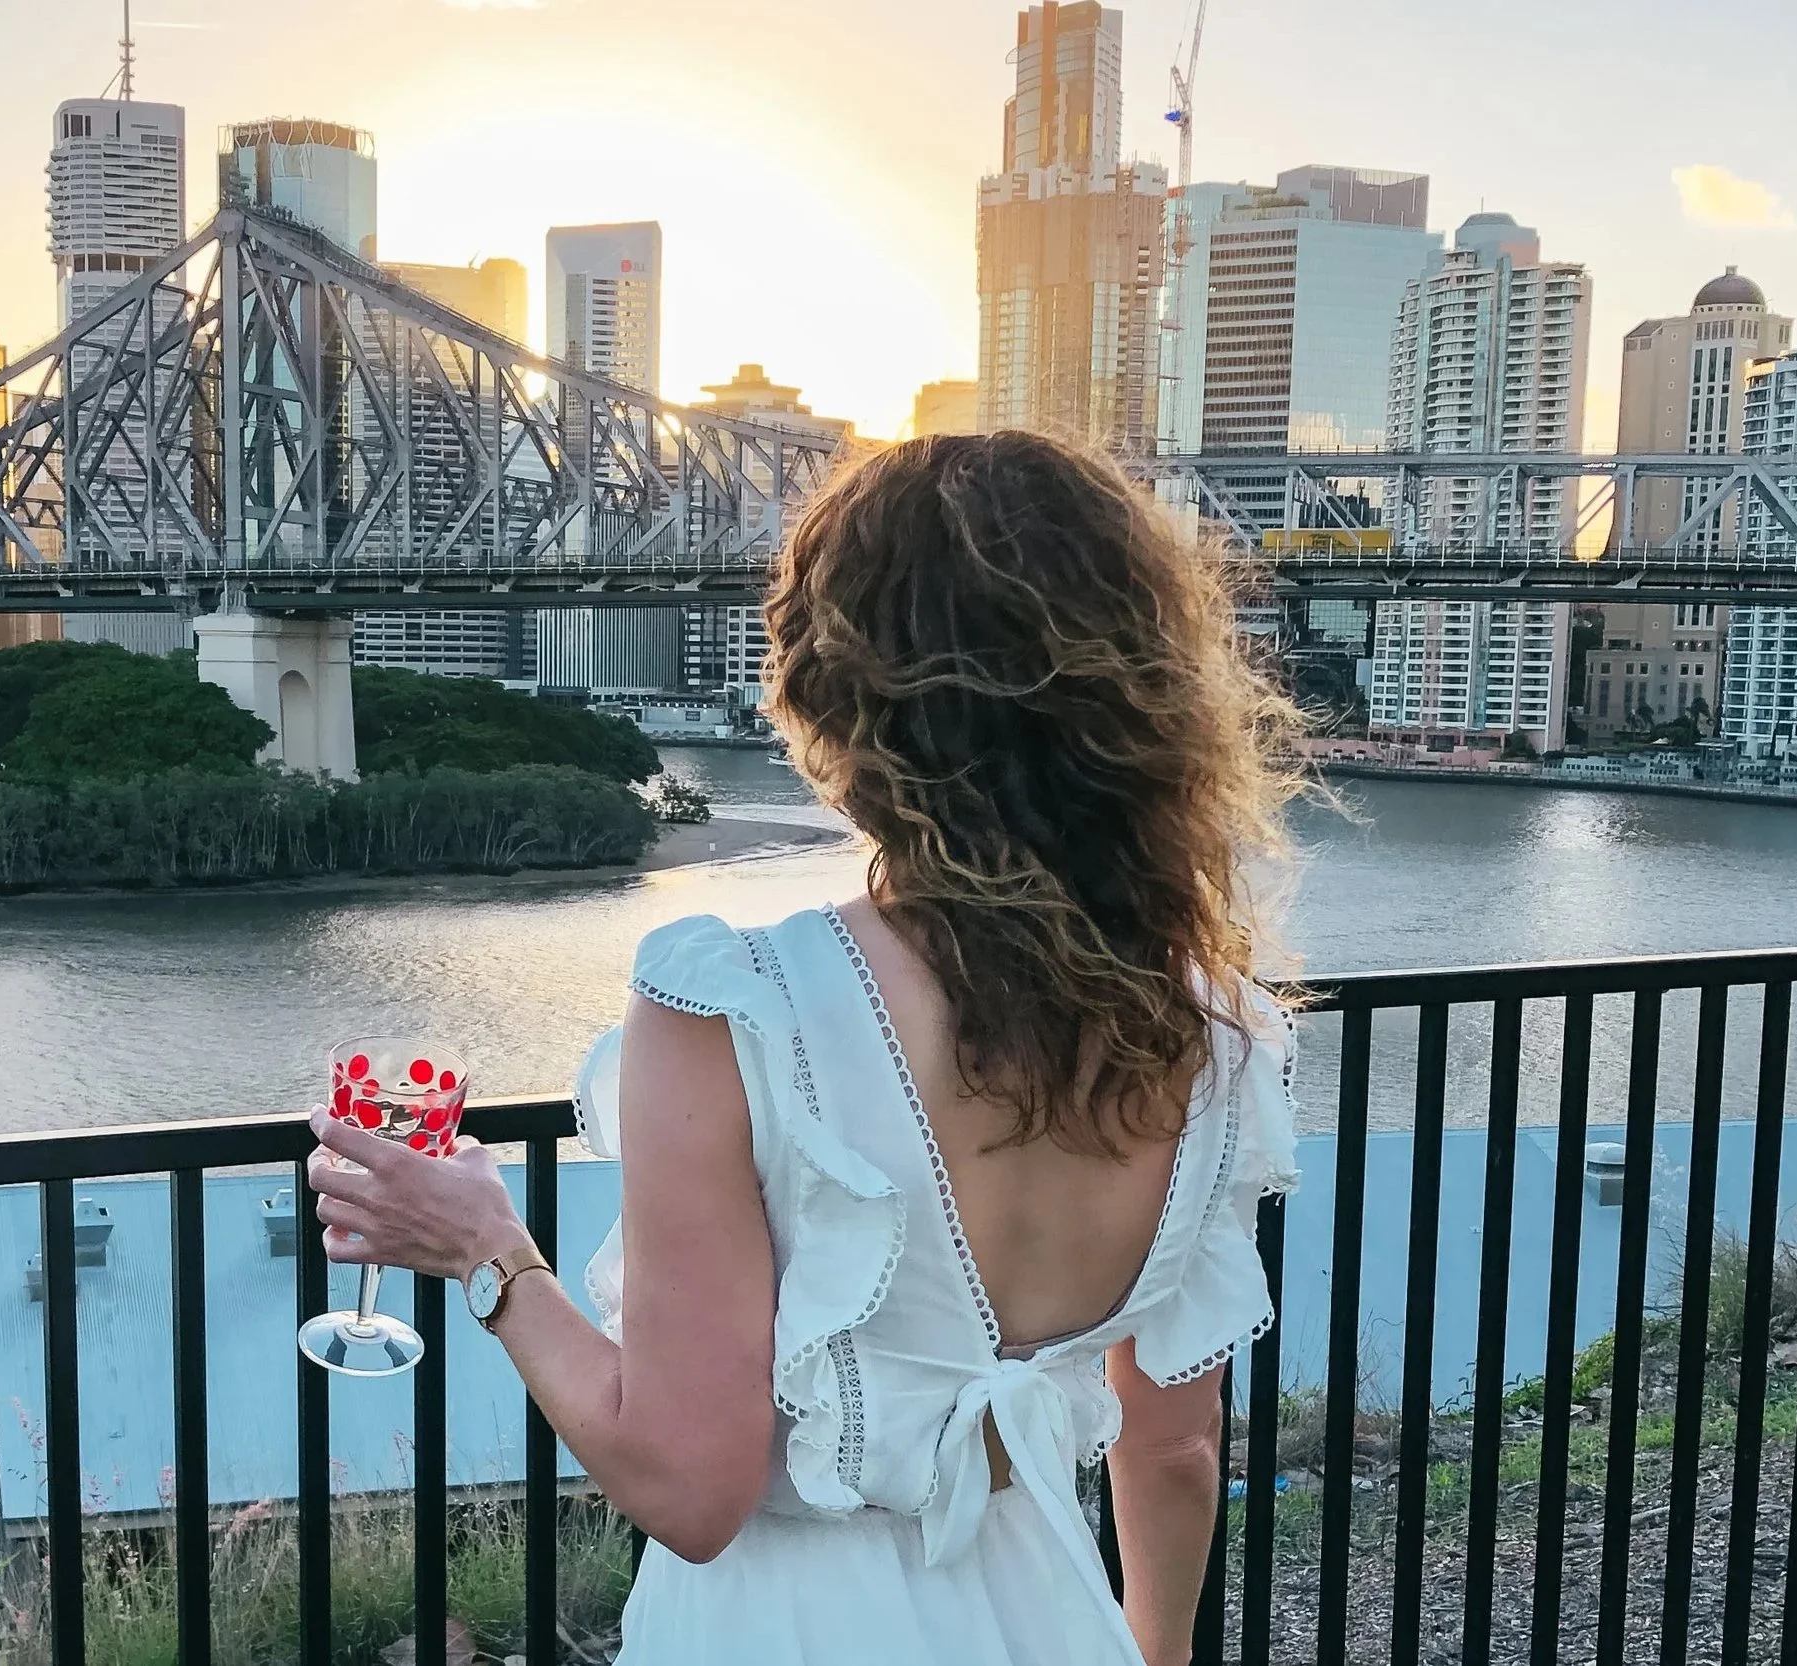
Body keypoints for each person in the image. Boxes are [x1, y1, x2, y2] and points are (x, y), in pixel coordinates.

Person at [307, 430, 1305, 1665]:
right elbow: (1174, 1442)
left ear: (836, 692)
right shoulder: (1210, 1030)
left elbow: (689, 1488)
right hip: (1047, 1611)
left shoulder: (739, 1003)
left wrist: (485, 1252)